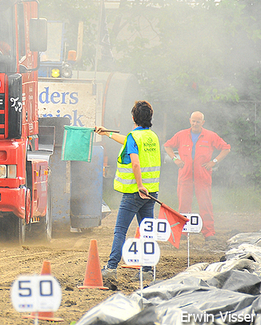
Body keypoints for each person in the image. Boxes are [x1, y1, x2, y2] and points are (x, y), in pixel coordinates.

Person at [95, 100, 161, 282]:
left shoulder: (134, 137)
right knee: (147, 232)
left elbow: (136, 162)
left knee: (120, 231)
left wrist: (139, 185)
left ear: (133, 117)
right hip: (151, 192)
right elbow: (127, 141)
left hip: (135, 192)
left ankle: (111, 268)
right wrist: (107, 133)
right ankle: (147, 270)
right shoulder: (151, 137)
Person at [163, 111, 230, 240]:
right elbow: (167, 146)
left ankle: (209, 232)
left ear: (202, 123)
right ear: (189, 121)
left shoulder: (210, 136)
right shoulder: (181, 135)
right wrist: (175, 159)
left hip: (203, 176)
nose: (195, 123)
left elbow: (226, 148)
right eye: (193, 121)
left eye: (198, 121)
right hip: (185, 175)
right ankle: (183, 232)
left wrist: (214, 162)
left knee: (205, 204)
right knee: (183, 204)